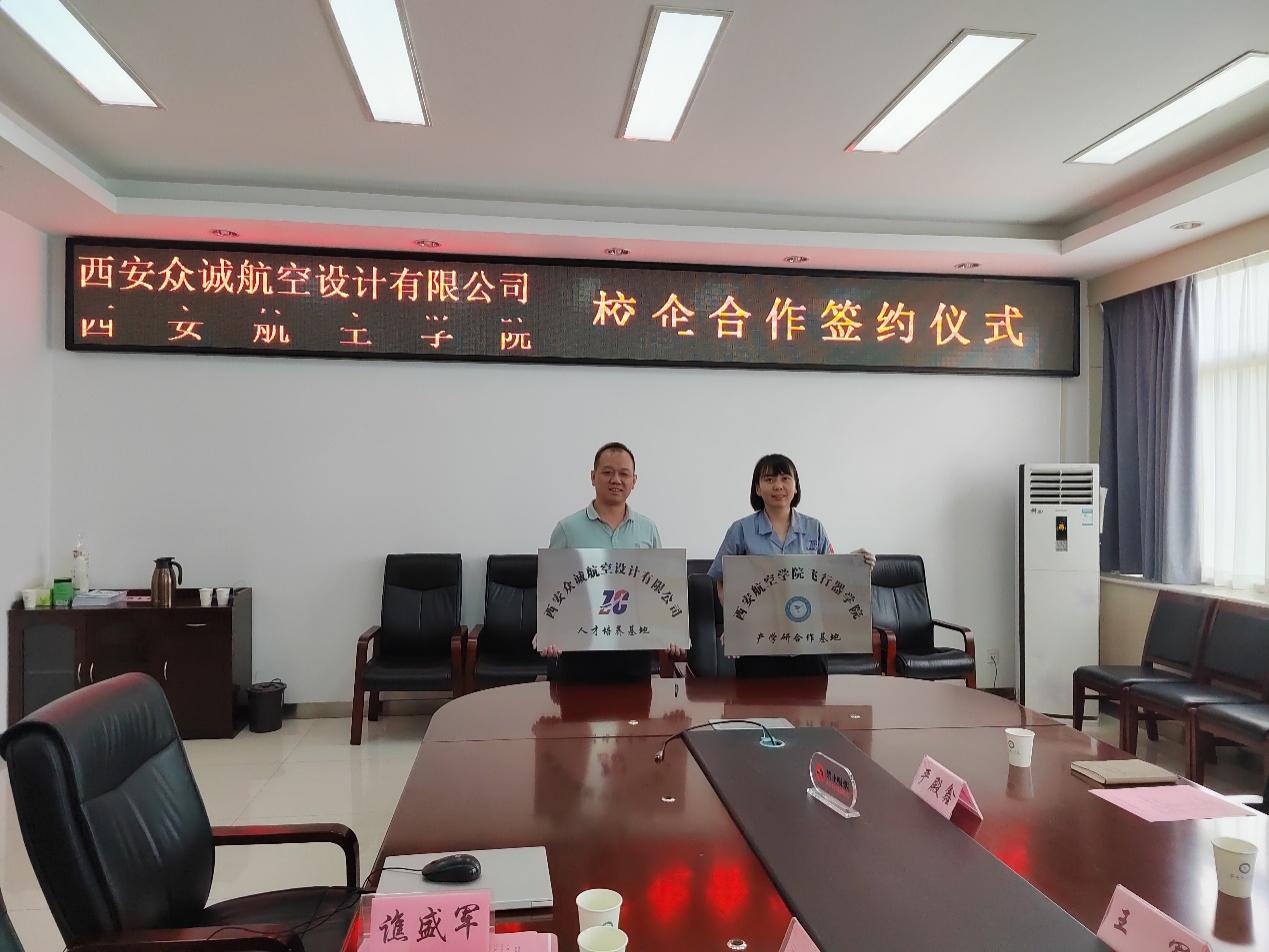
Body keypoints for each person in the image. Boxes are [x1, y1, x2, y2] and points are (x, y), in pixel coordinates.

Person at [708, 453, 875, 677]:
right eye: (769, 479)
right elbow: (722, 580)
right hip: (758, 642)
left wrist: (854, 564)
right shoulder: (741, 530)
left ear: (796, 487)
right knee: (758, 699)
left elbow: (829, 576)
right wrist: (735, 622)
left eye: (785, 478)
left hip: (809, 640)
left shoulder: (814, 528)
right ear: (757, 488)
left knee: (811, 700)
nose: (778, 486)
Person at [539, 442, 665, 682]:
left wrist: (670, 631)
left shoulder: (648, 530)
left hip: (633, 648)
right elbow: (550, 587)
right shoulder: (567, 529)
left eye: (624, 474)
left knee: (635, 707)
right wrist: (549, 632)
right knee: (578, 707)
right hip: (581, 649)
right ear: (593, 477)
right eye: (607, 472)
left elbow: (657, 588)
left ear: (634, 480)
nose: (616, 480)